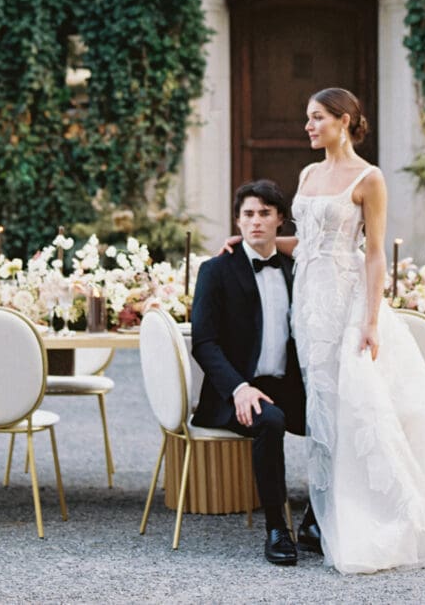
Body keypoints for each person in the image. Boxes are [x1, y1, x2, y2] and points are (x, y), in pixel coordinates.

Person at [228, 88, 425, 574]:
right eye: (307, 117)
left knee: (351, 406)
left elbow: (375, 252)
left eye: (316, 118)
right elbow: (309, 242)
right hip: (310, 305)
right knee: (321, 408)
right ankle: (321, 513)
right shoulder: (308, 173)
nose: (308, 127)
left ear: (344, 120)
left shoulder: (369, 178)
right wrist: (255, 240)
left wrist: (372, 320)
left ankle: (359, 514)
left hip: (347, 301)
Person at [189, 180, 322, 565]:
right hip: (236, 390)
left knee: (341, 414)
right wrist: (239, 388)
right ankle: (277, 528)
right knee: (271, 421)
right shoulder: (215, 271)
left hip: (286, 384)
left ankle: (314, 521)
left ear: (281, 219)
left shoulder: (295, 269)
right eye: (248, 214)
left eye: (265, 213)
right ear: (238, 221)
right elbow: (205, 343)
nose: (256, 221)